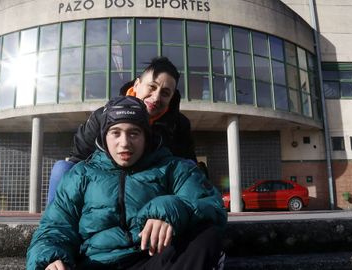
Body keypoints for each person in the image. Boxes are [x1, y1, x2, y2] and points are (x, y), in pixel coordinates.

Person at [28, 96, 227, 270]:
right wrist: (50, 257)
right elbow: (55, 226)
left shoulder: (173, 168)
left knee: (207, 236)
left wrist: (170, 209)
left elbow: (212, 206)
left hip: (152, 259)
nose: (124, 143)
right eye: (115, 133)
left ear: (146, 136)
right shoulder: (81, 174)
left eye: (134, 133)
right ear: (104, 137)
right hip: (95, 263)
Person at [48, 57, 196, 202]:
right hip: (105, 184)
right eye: (152, 87)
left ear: (172, 97)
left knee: (190, 167)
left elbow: (186, 168)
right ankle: (54, 222)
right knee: (63, 168)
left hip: (154, 187)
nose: (156, 97)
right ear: (137, 84)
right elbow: (79, 159)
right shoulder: (102, 117)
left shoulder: (178, 125)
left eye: (165, 93)